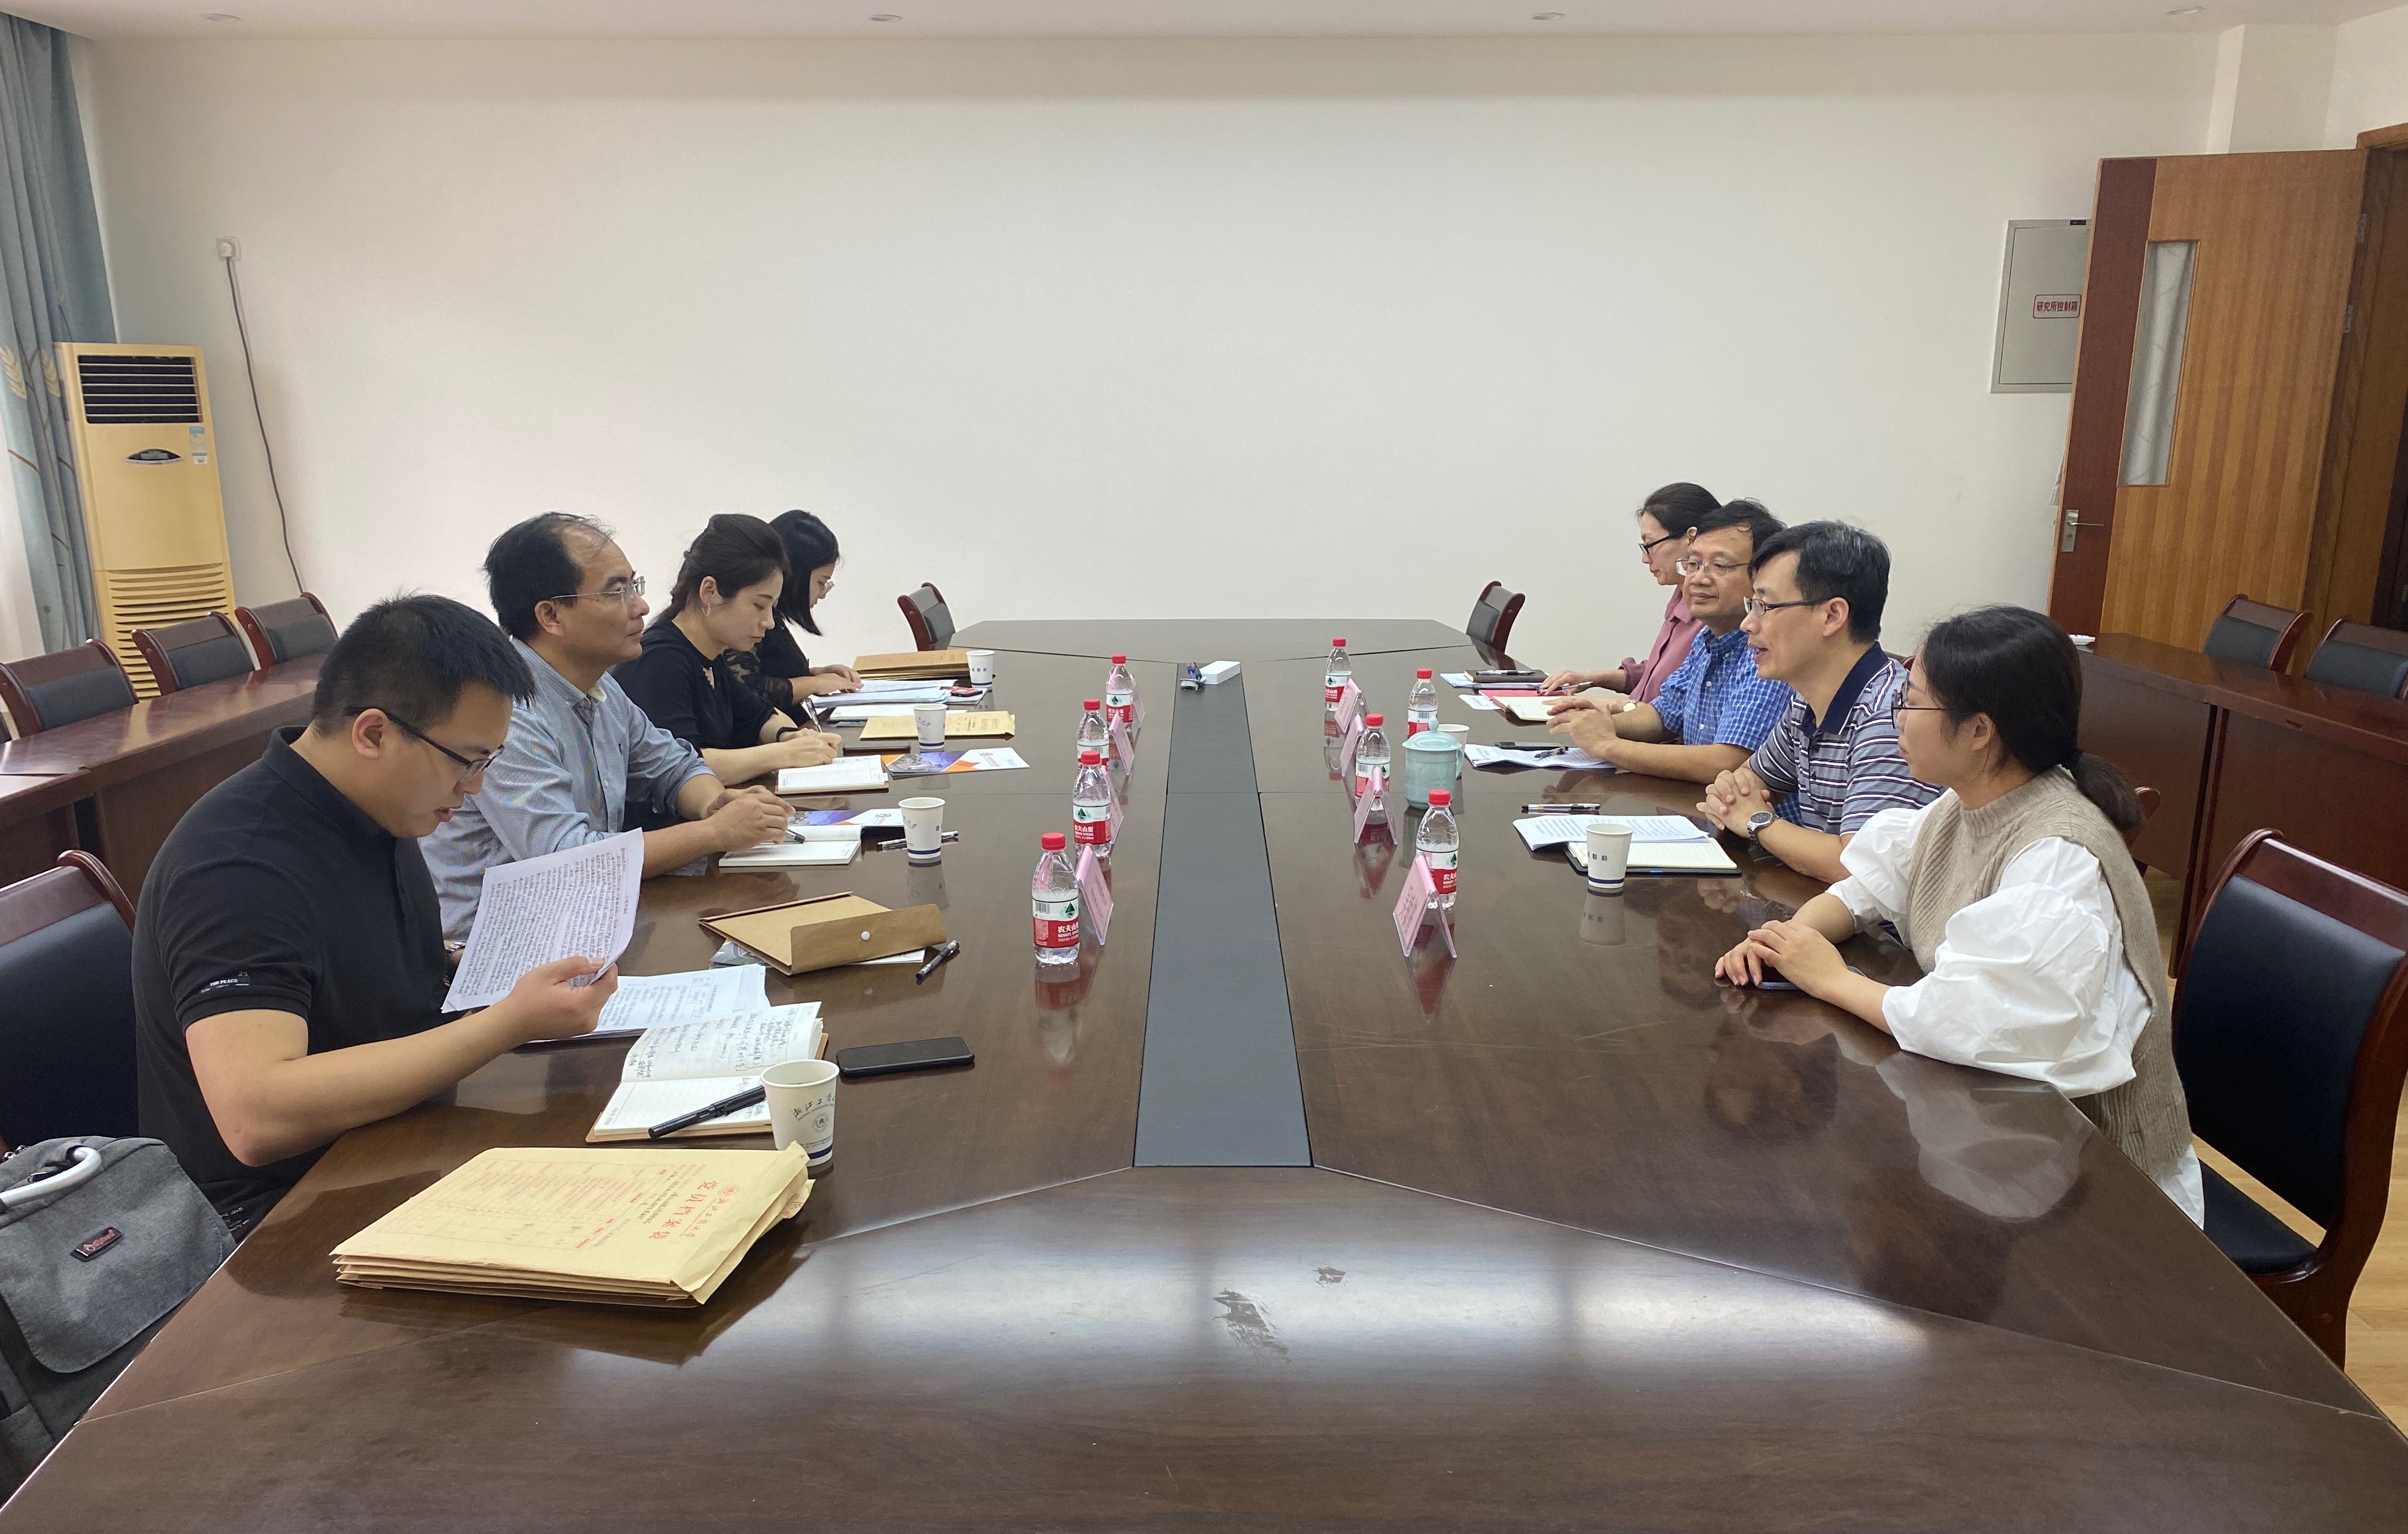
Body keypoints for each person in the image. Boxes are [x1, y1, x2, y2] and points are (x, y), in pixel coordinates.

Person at [133, 596, 621, 1237]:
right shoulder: (236, 866)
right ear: (373, 734)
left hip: (389, 1140)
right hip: (270, 1219)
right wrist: (508, 1023)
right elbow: (256, 1117)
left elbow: (361, 971)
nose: (474, 786)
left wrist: (479, 965)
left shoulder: (376, 805)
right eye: (467, 760)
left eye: (489, 762)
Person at [1712, 605, 2201, 1224]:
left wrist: (1832, 980)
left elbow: (1975, 1022)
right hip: (1999, 1143)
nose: (1897, 717)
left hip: (2089, 1181)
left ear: (1978, 731)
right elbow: (1865, 889)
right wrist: (1786, 939)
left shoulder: (2057, 853)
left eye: (1913, 702)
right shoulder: (1963, 803)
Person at [421, 513, 794, 941]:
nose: (641, 607)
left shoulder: (601, 688)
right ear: (551, 616)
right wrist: (713, 832)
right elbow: (567, 860)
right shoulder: (508, 713)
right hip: (501, 945)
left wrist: (715, 803)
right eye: (617, 592)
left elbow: (672, 764)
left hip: (589, 918)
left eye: (635, 586)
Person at [1694, 521, 1936, 881]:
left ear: (1832, 616)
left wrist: (1758, 821)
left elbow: (1857, 866)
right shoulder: (1807, 702)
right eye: (1752, 604)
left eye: (1764, 606)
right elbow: (1744, 785)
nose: (1747, 623)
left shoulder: (1891, 717)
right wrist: (1734, 801)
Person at [1545, 499, 1791, 784]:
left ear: (1762, 576)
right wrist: (1599, 724)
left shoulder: (1766, 651)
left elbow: (1728, 762)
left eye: (1720, 566)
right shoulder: (1706, 639)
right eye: (1693, 564)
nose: (1698, 579)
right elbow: (1663, 716)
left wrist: (1608, 745)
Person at [613, 513, 845, 784]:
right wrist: (784, 753)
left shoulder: (710, 655)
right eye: (759, 605)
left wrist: (791, 736)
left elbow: (761, 715)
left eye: (772, 607)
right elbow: (680, 765)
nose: (769, 622)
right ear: (710, 592)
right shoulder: (661, 660)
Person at [1539, 482, 1716, 704]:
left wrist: (1600, 707)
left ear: (1691, 539)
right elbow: (1659, 677)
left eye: (1650, 545)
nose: (1645, 558)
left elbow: (1672, 706)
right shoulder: (1681, 596)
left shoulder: (1713, 614)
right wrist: (1591, 678)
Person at [722, 510, 861, 710]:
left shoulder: (773, 617)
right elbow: (747, 690)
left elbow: (773, 671)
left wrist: (815, 674)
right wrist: (813, 684)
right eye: (821, 582)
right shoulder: (751, 620)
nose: (822, 594)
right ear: (797, 575)